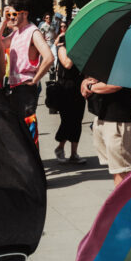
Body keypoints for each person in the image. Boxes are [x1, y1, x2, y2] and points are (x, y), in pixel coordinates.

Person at [5, 0, 54, 139]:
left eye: (14, 14)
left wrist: (35, 80)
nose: (11, 17)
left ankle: (33, 159)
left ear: (24, 14)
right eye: (9, 14)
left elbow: (49, 57)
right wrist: (4, 22)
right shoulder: (16, 32)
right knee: (19, 129)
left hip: (26, 86)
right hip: (16, 85)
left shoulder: (33, 32)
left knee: (27, 127)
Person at [81, 74, 131, 188]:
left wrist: (91, 86)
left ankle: (124, 203)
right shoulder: (109, 58)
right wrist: (86, 81)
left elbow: (116, 85)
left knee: (122, 169)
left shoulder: (125, 60)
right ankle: (122, 201)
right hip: (103, 116)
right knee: (116, 168)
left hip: (118, 119)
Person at [52, 32, 86, 164]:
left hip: (78, 88)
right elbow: (67, 64)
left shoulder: (82, 50)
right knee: (67, 120)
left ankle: (74, 153)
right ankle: (60, 148)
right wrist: (76, 50)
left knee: (77, 120)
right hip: (65, 88)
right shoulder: (62, 49)